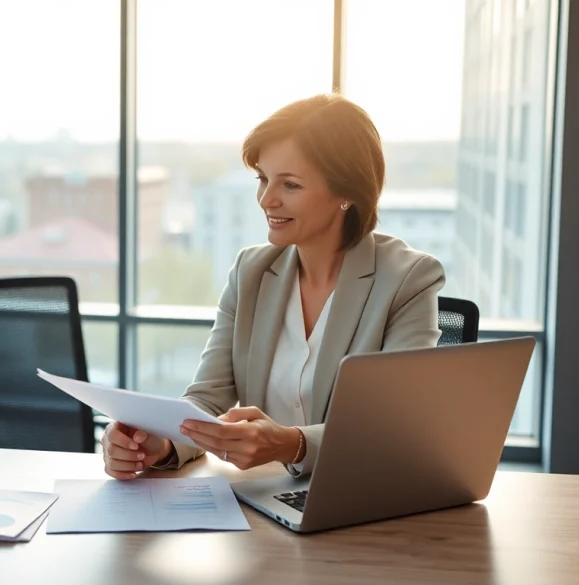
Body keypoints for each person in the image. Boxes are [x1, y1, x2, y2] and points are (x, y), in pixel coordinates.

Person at [101, 93, 446, 480]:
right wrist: (160, 444)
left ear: (347, 192)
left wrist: (292, 444)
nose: (267, 199)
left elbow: (393, 431)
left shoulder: (408, 280)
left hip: (357, 499)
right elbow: (207, 399)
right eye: (263, 179)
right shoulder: (250, 272)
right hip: (263, 502)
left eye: (291, 185)